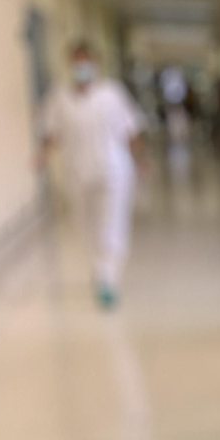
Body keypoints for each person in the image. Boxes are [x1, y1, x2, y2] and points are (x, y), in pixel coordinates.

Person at [43, 41, 146, 308]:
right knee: (86, 225)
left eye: (86, 60)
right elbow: (52, 132)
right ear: (69, 63)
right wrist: (42, 155)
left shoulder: (112, 93)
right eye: (76, 61)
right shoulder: (60, 97)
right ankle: (99, 269)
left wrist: (141, 159)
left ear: (96, 62)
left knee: (111, 224)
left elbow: (130, 129)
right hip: (77, 172)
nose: (82, 67)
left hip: (113, 169)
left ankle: (108, 279)